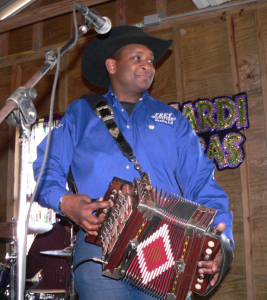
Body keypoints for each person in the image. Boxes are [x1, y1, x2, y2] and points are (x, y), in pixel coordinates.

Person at [33, 25, 234, 300]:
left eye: (151, 60)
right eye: (137, 57)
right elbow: (47, 167)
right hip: (98, 246)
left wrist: (222, 241)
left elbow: (202, 182)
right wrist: (65, 201)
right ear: (111, 65)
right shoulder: (81, 113)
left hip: (166, 246)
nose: (147, 66)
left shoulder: (173, 120)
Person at [26, 216, 78, 298]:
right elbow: (29, 271)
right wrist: (15, 266)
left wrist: (79, 287)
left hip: (76, 295)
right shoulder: (45, 233)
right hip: (46, 292)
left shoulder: (89, 235)